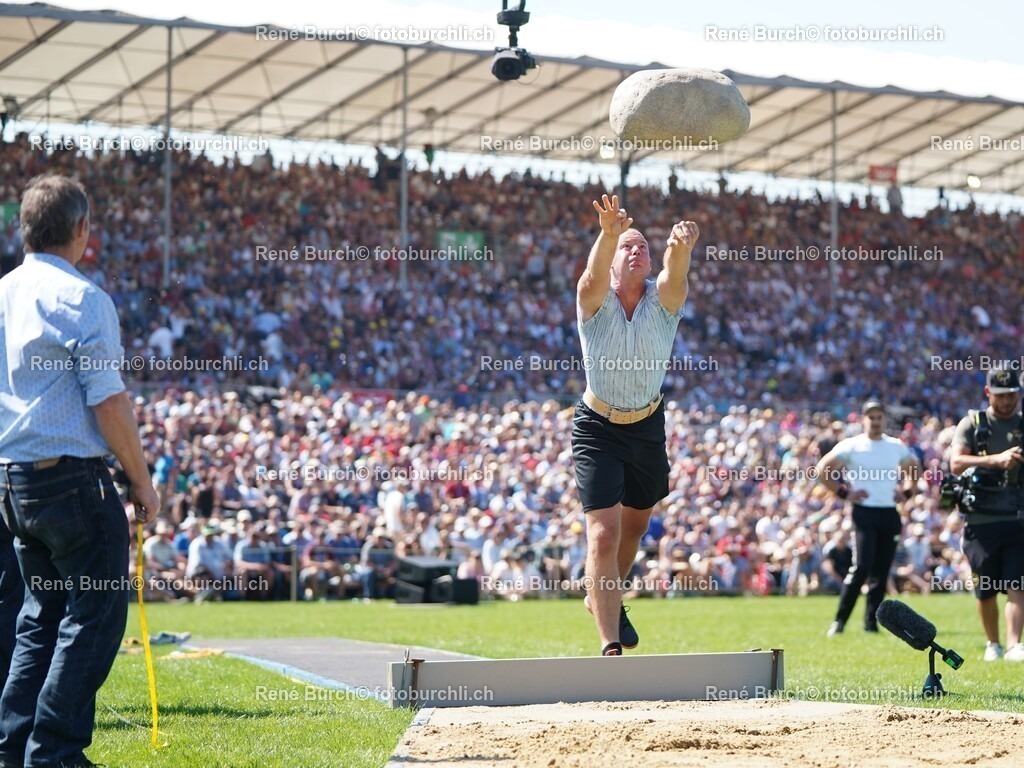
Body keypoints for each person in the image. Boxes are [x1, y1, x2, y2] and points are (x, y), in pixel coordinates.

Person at [0, 174, 159, 768]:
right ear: (81, 231)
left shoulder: (4, 292)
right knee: (92, 619)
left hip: (15, 481)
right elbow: (109, 401)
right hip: (69, 480)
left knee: (39, 619)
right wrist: (141, 481)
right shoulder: (83, 298)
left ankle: (13, 750)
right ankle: (56, 754)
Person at [573, 193, 698, 656]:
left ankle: (606, 595)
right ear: (611, 262)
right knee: (603, 532)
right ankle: (610, 645)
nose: (636, 250)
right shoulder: (593, 298)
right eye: (628, 247)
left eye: (643, 245)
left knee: (636, 528)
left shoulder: (663, 300)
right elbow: (590, 275)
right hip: (597, 427)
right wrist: (608, 235)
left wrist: (681, 245)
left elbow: (675, 271)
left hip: (646, 425)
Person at [817, 400, 920, 636]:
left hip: (888, 512)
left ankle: (871, 623)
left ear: (885, 419)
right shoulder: (852, 445)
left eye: (879, 417)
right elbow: (823, 469)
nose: (875, 421)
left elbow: (914, 469)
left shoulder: (895, 446)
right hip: (864, 511)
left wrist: (905, 492)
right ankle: (840, 620)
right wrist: (845, 492)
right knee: (862, 567)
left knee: (882, 571)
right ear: (863, 419)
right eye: (871, 417)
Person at [949, 367, 1024, 662]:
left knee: (1018, 583)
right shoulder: (973, 423)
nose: (1008, 401)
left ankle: (1014, 644)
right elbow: (955, 463)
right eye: (1002, 395)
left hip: (1018, 516)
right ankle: (992, 643)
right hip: (981, 519)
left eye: (1013, 395)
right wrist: (996, 460)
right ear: (988, 393)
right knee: (986, 588)